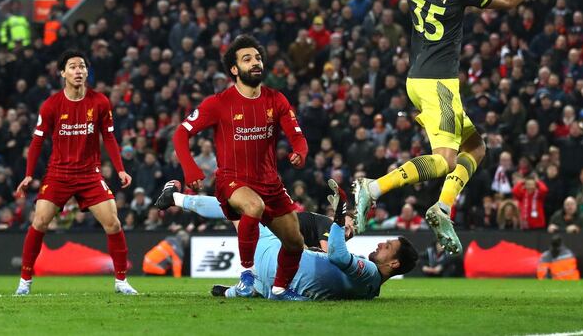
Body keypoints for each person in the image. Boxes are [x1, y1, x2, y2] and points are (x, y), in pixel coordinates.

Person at [355, 0, 563, 253]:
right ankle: (371, 188)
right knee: (445, 161)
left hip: (418, 81)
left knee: (476, 147)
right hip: (438, 85)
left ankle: (442, 206)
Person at [172, 34, 309, 300]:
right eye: (247, 59)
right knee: (253, 206)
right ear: (234, 69)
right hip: (231, 181)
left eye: (258, 58)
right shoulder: (218, 103)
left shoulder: (276, 99)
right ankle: (248, 276)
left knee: (295, 243)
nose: (255, 63)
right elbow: (180, 133)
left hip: (270, 182)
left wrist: (300, 152)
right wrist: (190, 169)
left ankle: (279, 290)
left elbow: (297, 136)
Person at [14, 50, 136, 295]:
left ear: (87, 72)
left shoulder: (100, 101)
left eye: (82, 66)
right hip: (58, 173)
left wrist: (121, 170)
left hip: (90, 174)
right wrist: (29, 174)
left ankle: (121, 281)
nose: (78, 71)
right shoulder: (51, 105)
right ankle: (25, 281)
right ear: (63, 73)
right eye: (72, 67)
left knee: (113, 223)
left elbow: (109, 137)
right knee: (39, 221)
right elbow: (37, 141)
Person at [213, 180, 417, 300]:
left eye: (388, 246)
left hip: (276, 264)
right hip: (273, 285)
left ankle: (183, 199)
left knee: (245, 208)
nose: (381, 244)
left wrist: (338, 218)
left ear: (394, 263)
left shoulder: (370, 271)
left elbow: (337, 255)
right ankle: (234, 292)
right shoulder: (371, 291)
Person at [154, 179, 355, 252]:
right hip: (271, 225)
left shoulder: (329, 227)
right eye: (350, 225)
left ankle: (176, 199)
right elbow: (329, 254)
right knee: (232, 209)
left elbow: (327, 253)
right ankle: (177, 199)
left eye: (349, 233)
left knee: (231, 209)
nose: (347, 230)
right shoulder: (329, 225)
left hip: (274, 232)